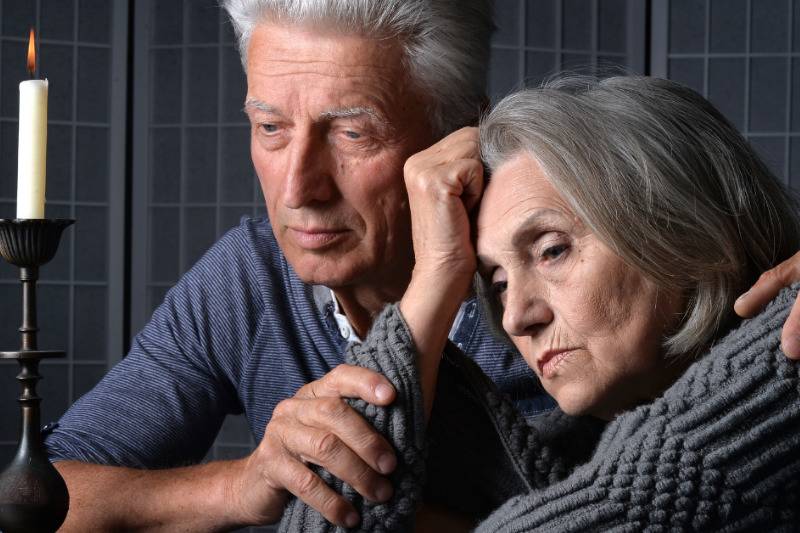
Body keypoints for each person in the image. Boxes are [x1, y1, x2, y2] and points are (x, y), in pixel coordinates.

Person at [43, 1, 800, 530]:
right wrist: (241, 485)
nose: (298, 186)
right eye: (270, 127)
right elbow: (36, 498)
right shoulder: (246, 282)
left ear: (454, 134)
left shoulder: (547, 248)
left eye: (352, 133)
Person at [278, 76, 800, 531]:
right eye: (498, 281)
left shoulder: (784, 374)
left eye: (552, 250)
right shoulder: (553, 461)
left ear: (686, 228)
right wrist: (437, 273)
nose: (516, 318)